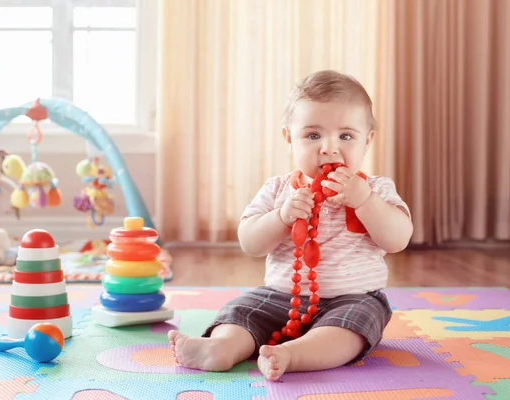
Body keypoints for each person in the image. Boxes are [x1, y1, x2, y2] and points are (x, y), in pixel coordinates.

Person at [168, 69, 413, 381]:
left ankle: (293, 355)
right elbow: (250, 243)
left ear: (368, 141)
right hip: (281, 296)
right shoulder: (278, 189)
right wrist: (281, 218)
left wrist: (364, 201)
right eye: (313, 135)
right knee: (242, 309)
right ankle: (221, 347)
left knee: (353, 327)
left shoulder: (376, 189)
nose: (329, 148)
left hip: (353, 297)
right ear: (289, 139)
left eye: (346, 136)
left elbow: (397, 239)